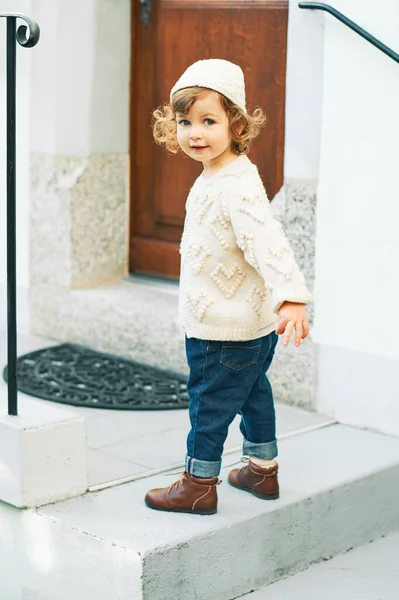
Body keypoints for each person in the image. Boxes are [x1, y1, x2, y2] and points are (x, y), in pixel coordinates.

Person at [145, 59, 312, 515]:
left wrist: (291, 295)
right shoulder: (222, 174)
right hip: (247, 322)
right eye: (185, 122)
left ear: (236, 124)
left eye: (209, 121)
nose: (194, 132)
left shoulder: (234, 184)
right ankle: (261, 468)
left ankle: (198, 483)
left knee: (209, 402)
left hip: (222, 326)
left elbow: (267, 241)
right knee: (254, 390)